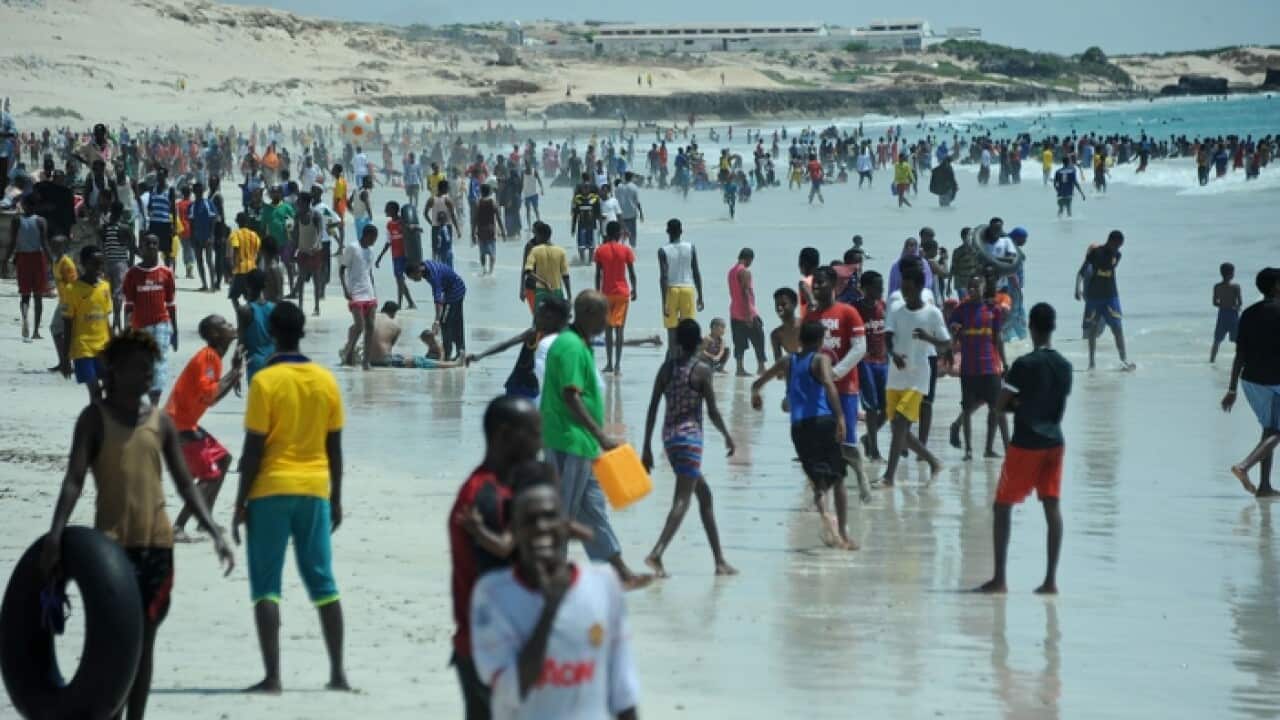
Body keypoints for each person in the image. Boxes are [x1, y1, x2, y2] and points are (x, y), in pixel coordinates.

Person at [40, 330, 235, 720]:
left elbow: (184, 483)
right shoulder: (94, 420)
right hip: (109, 550)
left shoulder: (160, 423)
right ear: (114, 371)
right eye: (139, 369)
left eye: (151, 368)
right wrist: (56, 533)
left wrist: (213, 529)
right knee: (111, 644)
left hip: (157, 548)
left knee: (145, 643)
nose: (149, 376)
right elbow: (74, 480)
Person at [232, 301, 349, 693]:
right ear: (302, 332)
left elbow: (252, 450)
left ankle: (274, 677)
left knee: (267, 585)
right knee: (323, 582)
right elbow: (335, 449)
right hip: (315, 490)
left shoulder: (265, 381)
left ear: (272, 332)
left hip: (269, 490)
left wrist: (238, 502)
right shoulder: (325, 380)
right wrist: (336, 498)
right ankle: (337, 673)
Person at [470, 484, 641, 720]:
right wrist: (550, 607)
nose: (541, 527)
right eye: (529, 520)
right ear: (513, 532)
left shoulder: (603, 584)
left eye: (550, 517)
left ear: (567, 525)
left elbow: (623, 693)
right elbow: (513, 690)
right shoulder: (492, 595)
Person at [540, 290, 653, 589]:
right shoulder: (571, 347)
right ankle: (550, 575)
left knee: (593, 511)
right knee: (564, 512)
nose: (607, 319)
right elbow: (570, 396)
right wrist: (601, 435)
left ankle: (620, 573)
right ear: (588, 314)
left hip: (581, 444)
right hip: (568, 442)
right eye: (604, 313)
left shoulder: (581, 345)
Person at [448, 396, 544, 720]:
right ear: (505, 435)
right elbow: (499, 577)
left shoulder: (505, 488)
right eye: (533, 432)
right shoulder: (486, 497)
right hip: (492, 650)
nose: (539, 441)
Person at [975, 303, 1072, 595]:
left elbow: (1000, 406)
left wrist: (1020, 405)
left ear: (1030, 327)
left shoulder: (1024, 365)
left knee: (1003, 506)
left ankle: (1000, 579)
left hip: (1026, 442)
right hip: (1055, 440)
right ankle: (1050, 580)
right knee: (1052, 506)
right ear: (1053, 327)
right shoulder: (1065, 366)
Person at [641, 319, 736, 577]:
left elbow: (652, 409)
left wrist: (647, 448)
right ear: (698, 342)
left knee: (704, 496)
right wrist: (727, 435)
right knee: (682, 500)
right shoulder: (702, 370)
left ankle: (719, 562)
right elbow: (713, 411)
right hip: (690, 440)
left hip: (669, 439)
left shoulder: (666, 369)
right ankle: (657, 553)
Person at [751, 320, 856, 550]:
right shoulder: (821, 360)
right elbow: (829, 386)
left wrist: (755, 396)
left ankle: (827, 520)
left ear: (799, 340)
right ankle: (843, 534)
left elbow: (758, 382)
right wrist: (840, 418)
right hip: (823, 422)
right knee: (838, 479)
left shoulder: (787, 361)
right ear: (820, 341)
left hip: (799, 428)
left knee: (817, 483)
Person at [168, 315, 244, 541]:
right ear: (215, 335)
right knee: (210, 474)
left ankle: (204, 520)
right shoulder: (208, 357)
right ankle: (179, 526)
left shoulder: (215, 358)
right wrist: (233, 373)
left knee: (223, 460)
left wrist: (234, 372)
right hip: (178, 423)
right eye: (226, 325)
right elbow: (210, 396)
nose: (232, 326)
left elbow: (212, 397)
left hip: (183, 422)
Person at [803, 266, 871, 502]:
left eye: (821, 282)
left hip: (845, 388)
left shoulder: (848, 312)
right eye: (815, 283)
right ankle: (821, 494)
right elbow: (804, 352)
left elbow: (860, 348)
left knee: (846, 442)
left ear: (833, 284)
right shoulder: (810, 315)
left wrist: (836, 372)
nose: (817, 287)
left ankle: (861, 475)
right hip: (817, 390)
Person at [881, 264, 948, 487]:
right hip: (895, 376)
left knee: (901, 423)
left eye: (909, 289)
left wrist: (928, 338)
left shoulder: (932, 313)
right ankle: (933, 461)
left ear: (920, 287)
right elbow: (888, 338)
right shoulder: (897, 311)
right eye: (903, 288)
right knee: (898, 429)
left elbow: (947, 343)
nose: (905, 293)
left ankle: (889, 477)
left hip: (918, 377)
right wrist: (893, 354)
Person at [1222, 267, 1280, 497]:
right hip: (1276, 378)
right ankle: (1244, 466)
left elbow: (1240, 353)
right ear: (1276, 286)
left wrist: (1232, 389)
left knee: (1270, 430)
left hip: (1251, 381)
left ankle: (1264, 486)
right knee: (1276, 431)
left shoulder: (1248, 313)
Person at [947, 274, 1010, 461]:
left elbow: (998, 338)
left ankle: (1001, 449)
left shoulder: (993, 310)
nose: (972, 290)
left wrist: (1005, 363)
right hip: (969, 368)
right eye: (970, 287)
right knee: (967, 409)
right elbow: (952, 331)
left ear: (984, 287)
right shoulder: (961, 310)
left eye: (976, 287)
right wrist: (953, 334)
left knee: (997, 409)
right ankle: (968, 450)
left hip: (990, 366)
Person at [123, 234, 178, 406]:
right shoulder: (132, 274)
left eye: (155, 243)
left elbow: (170, 304)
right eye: (148, 244)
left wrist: (174, 331)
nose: (152, 246)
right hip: (140, 325)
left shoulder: (166, 273)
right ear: (141, 248)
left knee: (159, 362)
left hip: (161, 323)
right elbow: (129, 305)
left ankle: (155, 403)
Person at [60, 245, 113, 402]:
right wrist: (65, 358)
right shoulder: (71, 290)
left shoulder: (105, 287)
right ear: (83, 264)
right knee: (95, 391)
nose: (98, 268)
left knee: (110, 388)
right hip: (83, 348)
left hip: (103, 347)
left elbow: (106, 320)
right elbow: (67, 325)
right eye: (94, 263)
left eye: (100, 263)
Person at [1075, 230, 1134, 370]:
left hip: (1111, 297)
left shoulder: (1118, 255)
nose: (1119, 248)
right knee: (1092, 330)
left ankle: (1124, 359)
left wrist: (1113, 254)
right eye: (1118, 245)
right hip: (1094, 298)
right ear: (1111, 241)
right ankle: (1091, 363)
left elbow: (1109, 267)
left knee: (1117, 328)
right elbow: (1081, 272)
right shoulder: (1095, 253)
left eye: (1120, 246)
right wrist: (1077, 289)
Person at [5, 194, 51, 342]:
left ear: (24, 205)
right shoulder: (41, 221)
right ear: (36, 206)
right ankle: (36, 331)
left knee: (25, 294)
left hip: (23, 258)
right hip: (38, 258)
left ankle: (25, 317)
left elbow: (12, 242)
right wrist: (53, 260)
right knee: (38, 296)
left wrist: (5, 259)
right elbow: (44, 244)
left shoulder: (17, 220)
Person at [594, 220, 638, 375]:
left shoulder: (600, 250)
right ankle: (618, 365)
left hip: (606, 293)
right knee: (620, 329)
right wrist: (635, 290)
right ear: (619, 233)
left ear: (607, 233)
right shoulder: (625, 250)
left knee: (607, 329)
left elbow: (598, 274)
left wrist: (597, 292)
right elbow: (632, 273)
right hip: (622, 293)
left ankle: (609, 364)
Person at [855, 271, 889, 462]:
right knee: (871, 408)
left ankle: (869, 438)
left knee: (888, 408)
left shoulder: (883, 306)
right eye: (877, 286)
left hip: (883, 362)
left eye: (881, 286)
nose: (880, 290)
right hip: (864, 362)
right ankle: (874, 451)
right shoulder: (856, 309)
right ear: (865, 288)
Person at [405, 259, 468, 361]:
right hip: (452, 288)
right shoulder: (424, 266)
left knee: (444, 322)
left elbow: (438, 300)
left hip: (455, 292)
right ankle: (461, 351)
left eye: (414, 278)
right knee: (456, 322)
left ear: (418, 271)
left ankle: (447, 354)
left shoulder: (433, 276)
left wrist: (437, 320)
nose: (414, 281)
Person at [658, 218, 703, 352]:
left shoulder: (663, 250)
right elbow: (696, 272)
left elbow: (664, 277)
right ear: (681, 231)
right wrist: (700, 295)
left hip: (672, 289)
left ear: (667, 231)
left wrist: (664, 302)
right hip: (688, 289)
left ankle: (673, 361)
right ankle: (688, 360)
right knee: (688, 329)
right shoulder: (691, 247)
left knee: (672, 330)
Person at [340, 224, 378, 370]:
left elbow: (370, 272)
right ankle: (348, 353)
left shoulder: (371, 251)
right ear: (367, 235)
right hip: (355, 293)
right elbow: (342, 269)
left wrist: (374, 291)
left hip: (369, 293)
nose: (374, 242)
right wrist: (345, 289)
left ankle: (366, 362)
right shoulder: (352, 248)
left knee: (370, 326)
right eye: (373, 238)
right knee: (359, 326)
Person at [728, 248, 767, 376]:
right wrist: (749, 315)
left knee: (738, 342)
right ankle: (761, 367)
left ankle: (739, 368)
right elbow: (745, 292)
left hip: (734, 312)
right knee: (759, 339)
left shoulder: (731, 271)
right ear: (749, 259)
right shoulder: (744, 272)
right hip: (747, 311)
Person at [100, 201, 136, 333]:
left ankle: (114, 321)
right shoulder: (124, 228)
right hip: (121, 263)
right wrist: (131, 264)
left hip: (108, 263)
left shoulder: (105, 228)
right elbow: (132, 248)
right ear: (121, 213)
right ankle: (116, 320)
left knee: (109, 294)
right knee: (118, 294)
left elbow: (103, 246)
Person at [290, 192, 326, 317]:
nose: (297, 203)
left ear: (305, 202)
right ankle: (300, 306)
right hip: (302, 251)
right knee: (301, 278)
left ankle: (317, 306)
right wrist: (293, 251)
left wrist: (316, 244)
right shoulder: (297, 216)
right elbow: (295, 234)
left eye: (299, 201)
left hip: (315, 252)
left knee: (316, 279)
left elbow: (321, 232)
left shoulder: (316, 215)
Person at [375, 201, 416, 310]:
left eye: (387, 209)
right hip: (395, 256)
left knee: (399, 280)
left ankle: (399, 304)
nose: (385, 211)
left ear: (393, 210)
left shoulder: (402, 222)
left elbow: (410, 230)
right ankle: (411, 303)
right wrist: (379, 257)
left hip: (404, 255)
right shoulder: (389, 225)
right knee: (400, 280)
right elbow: (388, 242)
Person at [237, 269, 276, 382]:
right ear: (264, 285)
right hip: (274, 361)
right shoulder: (274, 308)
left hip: (255, 364)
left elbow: (241, 343)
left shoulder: (244, 310)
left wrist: (236, 373)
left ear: (247, 286)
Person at [522, 221, 571, 311]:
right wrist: (569, 295)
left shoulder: (536, 250)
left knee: (544, 317)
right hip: (533, 286)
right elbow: (565, 275)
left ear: (541, 234)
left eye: (535, 233)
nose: (534, 236)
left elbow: (527, 271)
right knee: (542, 316)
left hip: (547, 289)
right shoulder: (530, 246)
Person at [227, 212, 262, 311]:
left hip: (240, 270)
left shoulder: (235, 235)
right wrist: (256, 265)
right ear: (247, 222)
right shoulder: (254, 235)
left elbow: (234, 251)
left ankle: (240, 315)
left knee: (234, 296)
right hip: (252, 270)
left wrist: (231, 270)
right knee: (251, 298)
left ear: (237, 222)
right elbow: (259, 254)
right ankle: (251, 316)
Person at [1211, 262, 1242, 364]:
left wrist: (1223, 305)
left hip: (1222, 314)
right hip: (1233, 314)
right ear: (1232, 274)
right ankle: (1239, 361)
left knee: (1217, 340)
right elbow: (1240, 303)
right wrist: (1234, 307)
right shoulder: (1236, 287)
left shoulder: (1217, 286)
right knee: (1237, 340)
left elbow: (1215, 303)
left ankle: (1212, 360)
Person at [472, 183, 505, 276]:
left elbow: (475, 219)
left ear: (481, 192)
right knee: (492, 253)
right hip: (491, 231)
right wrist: (503, 231)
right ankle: (491, 271)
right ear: (490, 192)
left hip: (481, 231)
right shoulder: (492, 203)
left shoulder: (478, 203)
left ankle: (483, 269)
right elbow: (498, 218)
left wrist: (472, 233)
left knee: (482, 252)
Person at [570, 175, 601, 264]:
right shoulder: (578, 199)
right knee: (581, 245)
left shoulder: (594, 199)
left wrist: (601, 228)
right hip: (581, 226)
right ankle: (582, 261)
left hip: (592, 226)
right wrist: (573, 228)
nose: (585, 189)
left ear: (590, 188)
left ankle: (590, 261)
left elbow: (598, 213)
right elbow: (575, 215)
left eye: (587, 187)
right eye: (584, 187)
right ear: (582, 188)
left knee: (591, 245)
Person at [770, 287, 800, 361]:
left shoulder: (807, 326)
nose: (780, 308)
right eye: (777, 305)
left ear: (794, 304)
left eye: (783, 304)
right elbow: (778, 362)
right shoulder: (776, 335)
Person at [615, 171, 644, 246]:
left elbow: (616, 200)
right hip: (631, 213)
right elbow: (637, 202)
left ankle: (621, 247)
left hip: (621, 214)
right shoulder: (634, 187)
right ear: (631, 178)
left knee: (621, 233)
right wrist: (641, 213)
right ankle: (633, 248)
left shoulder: (619, 186)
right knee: (632, 233)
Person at [521, 162, 545, 227]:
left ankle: (539, 222)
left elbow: (539, 180)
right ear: (525, 165)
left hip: (534, 193)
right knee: (528, 210)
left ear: (530, 165)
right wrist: (520, 193)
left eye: (528, 165)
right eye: (526, 165)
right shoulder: (523, 172)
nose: (528, 166)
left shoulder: (534, 171)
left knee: (536, 209)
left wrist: (542, 189)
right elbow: (521, 183)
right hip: (526, 195)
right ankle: (529, 226)